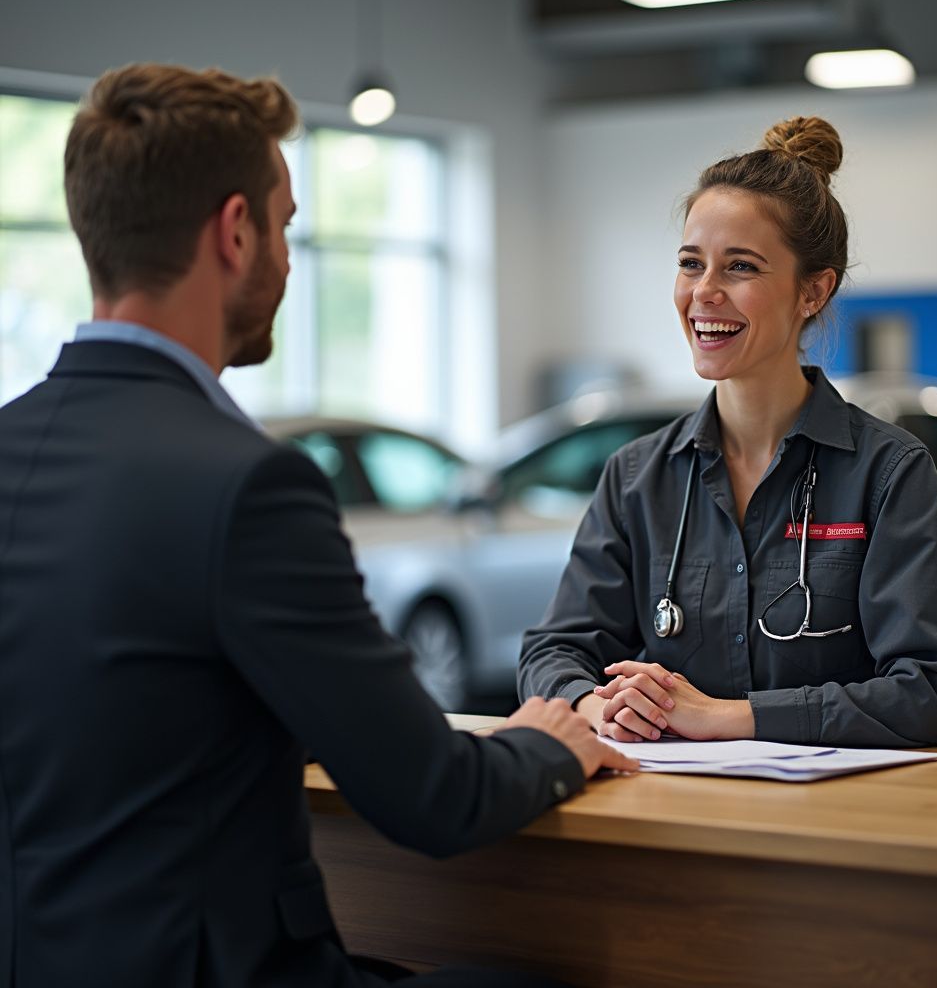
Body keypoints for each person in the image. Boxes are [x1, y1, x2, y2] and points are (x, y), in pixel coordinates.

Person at [0, 63, 636, 988]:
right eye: (289, 225)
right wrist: (552, 743)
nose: (290, 260)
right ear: (236, 230)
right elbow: (433, 800)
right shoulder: (247, 483)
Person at [518, 116, 937, 748]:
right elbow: (554, 652)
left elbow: (932, 694)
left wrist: (725, 717)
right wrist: (600, 708)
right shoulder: (636, 476)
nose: (704, 293)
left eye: (740, 267)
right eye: (690, 263)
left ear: (813, 290)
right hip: (665, 818)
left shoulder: (887, 471)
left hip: (829, 827)